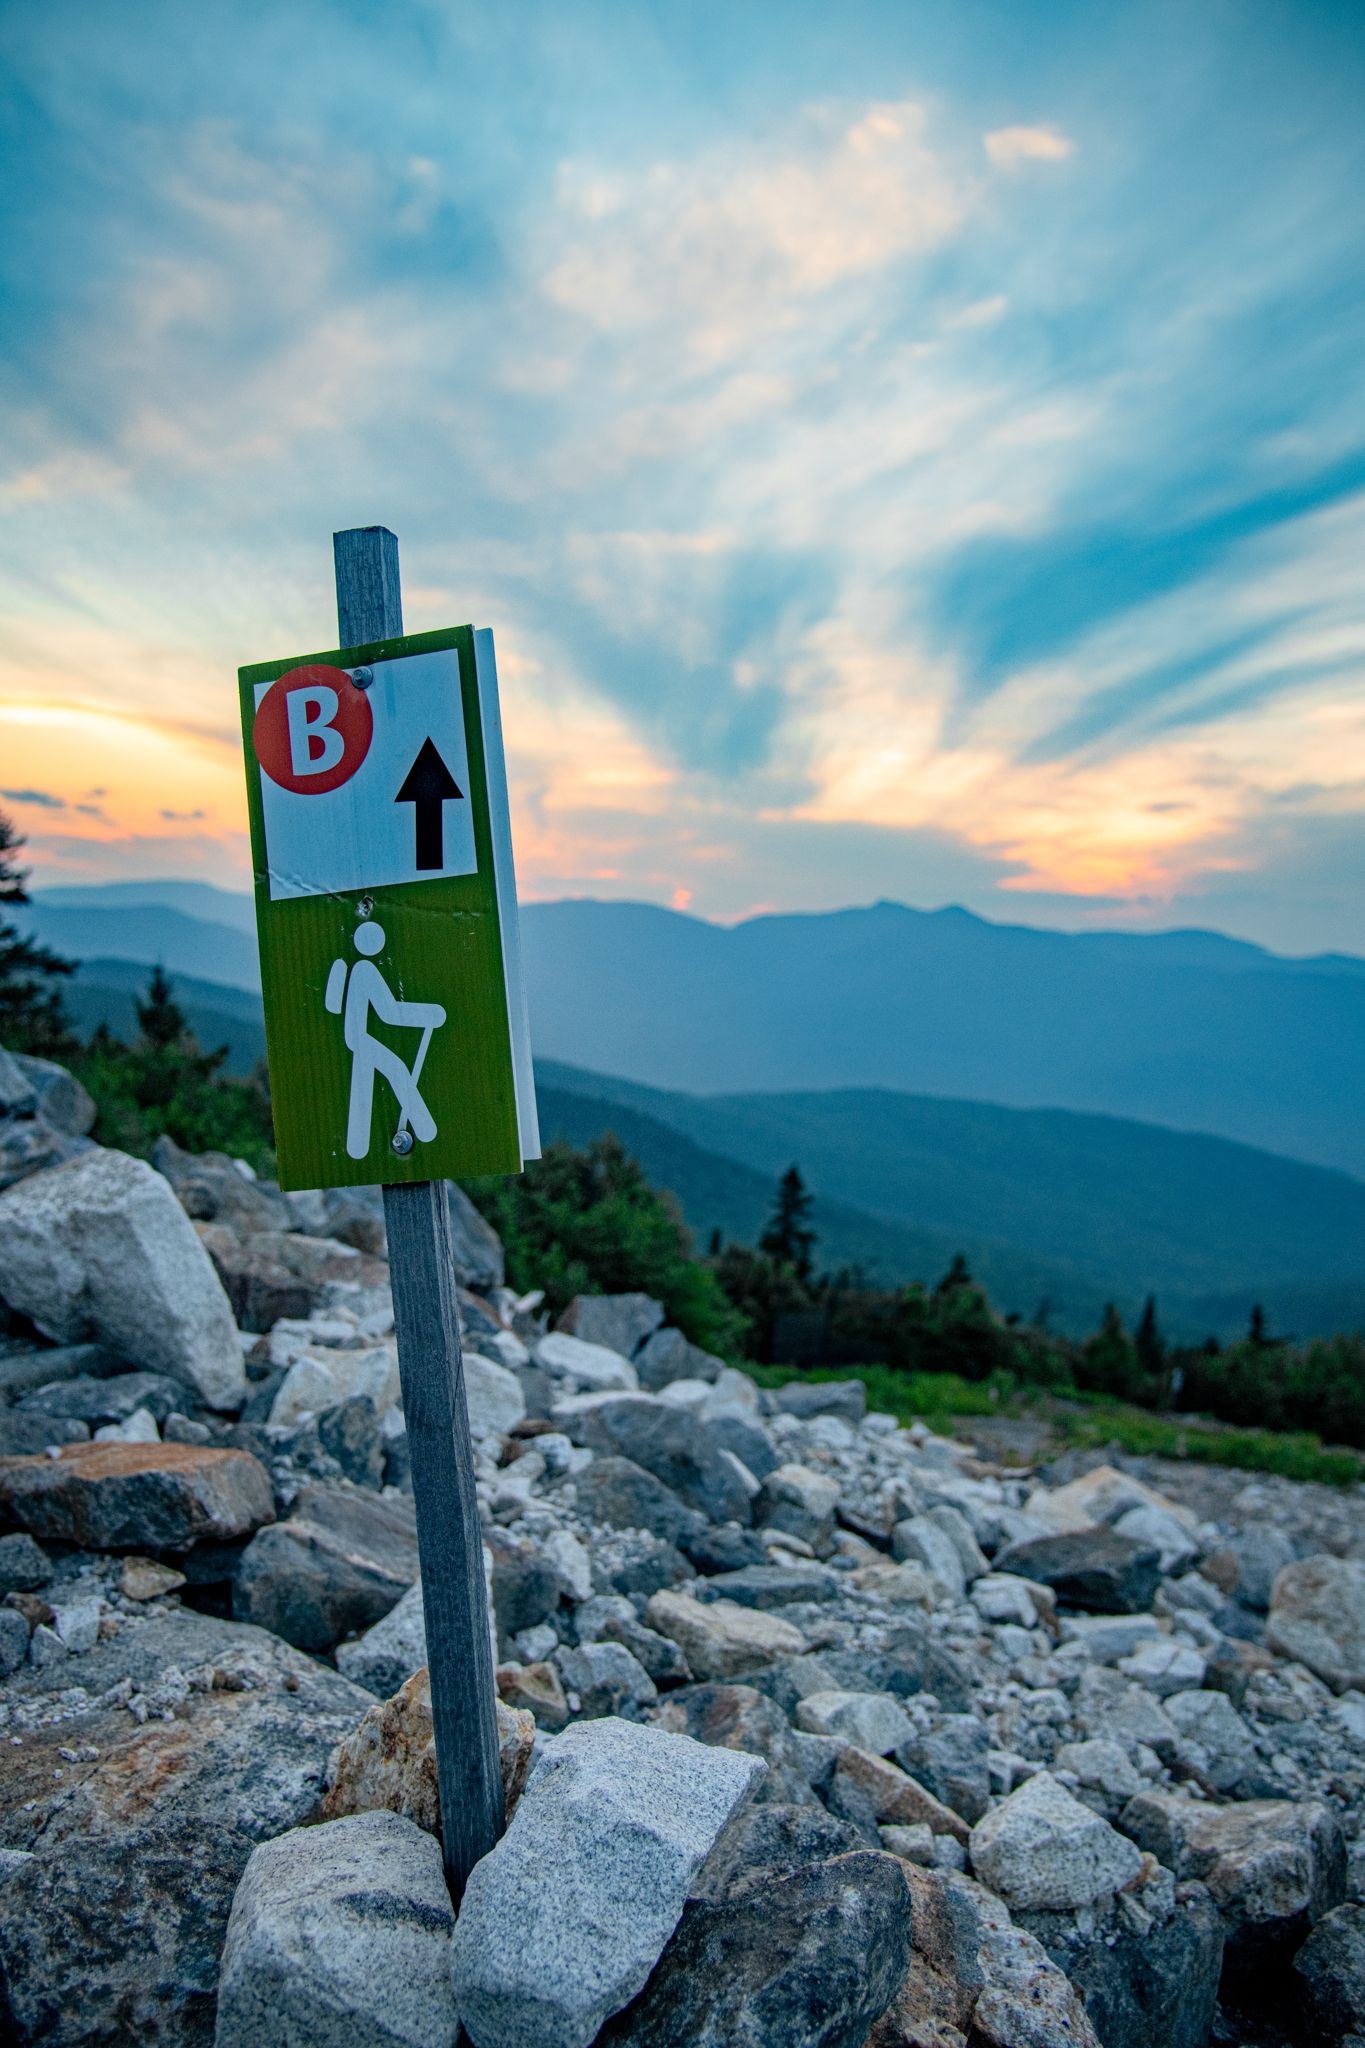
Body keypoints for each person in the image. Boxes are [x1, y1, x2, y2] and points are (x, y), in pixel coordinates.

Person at [324, 920, 446, 1160]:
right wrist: (430, 1014)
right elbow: (389, 1012)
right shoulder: (365, 970)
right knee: (397, 1068)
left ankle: (357, 1148)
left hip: (355, 1037)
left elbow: (334, 1005)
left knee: (362, 1084)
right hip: (360, 1038)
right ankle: (425, 1129)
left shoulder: (349, 966)